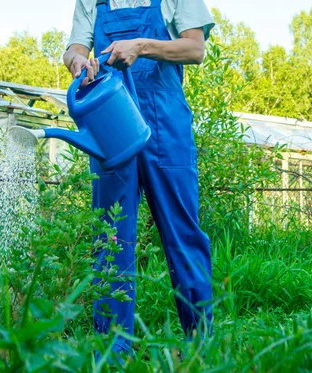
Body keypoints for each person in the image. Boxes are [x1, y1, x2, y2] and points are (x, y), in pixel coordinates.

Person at [62, 0, 216, 358]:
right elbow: (74, 47)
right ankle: (113, 350)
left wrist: (142, 46)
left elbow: (195, 49)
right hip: (110, 118)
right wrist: (76, 61)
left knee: (182, 230)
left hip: (164, 118)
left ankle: (200, 343)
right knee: (111, 234)